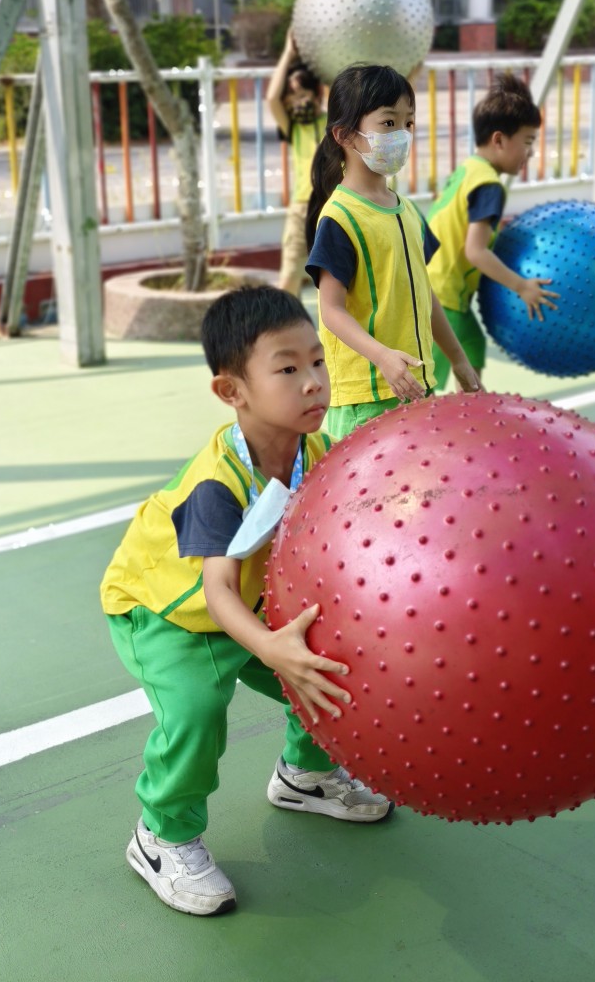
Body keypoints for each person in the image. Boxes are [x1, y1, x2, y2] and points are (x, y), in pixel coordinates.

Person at [100, 285, 392, 918]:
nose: (313, 381)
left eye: (317, 361)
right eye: (287, 369)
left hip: (252, 605)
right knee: (197, 713)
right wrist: (271, 649)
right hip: (170, 612)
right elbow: (217, 591)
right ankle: (162, 836)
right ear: (231, 391)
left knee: (328, 669)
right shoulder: (218, 483)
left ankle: (304, 775)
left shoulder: (314, 451)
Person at [304, 63, 481, 437]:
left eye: (408, 123)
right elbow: (331, 311)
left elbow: (424, 293)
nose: (402, 134)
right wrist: (383, 357)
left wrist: (458, 360)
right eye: (388, 123)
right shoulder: (340, 217)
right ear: (345, 135)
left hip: (415, 386)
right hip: (367, 399)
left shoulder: (408, 210)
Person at [427, 72, 559, 388]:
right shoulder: (488, 185)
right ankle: (461, 411)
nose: (531, 153)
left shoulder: (469, 169)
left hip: (432, 284)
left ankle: (471, 409)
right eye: (527, 142)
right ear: (499, 140)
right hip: (442, 295)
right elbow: (475, 251)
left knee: (472, 346)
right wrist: (521, 286)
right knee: (423, 387)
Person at [267, 32, 326, 297]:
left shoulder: (334, 123)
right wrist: (288, 55)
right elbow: (272, 98)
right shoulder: (292, 127)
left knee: (337, 281)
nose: (296, 101)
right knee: (289, 278)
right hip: (301, 208)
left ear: (316, 93)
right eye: (291, 97)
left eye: (302, 94)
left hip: (332, 208)